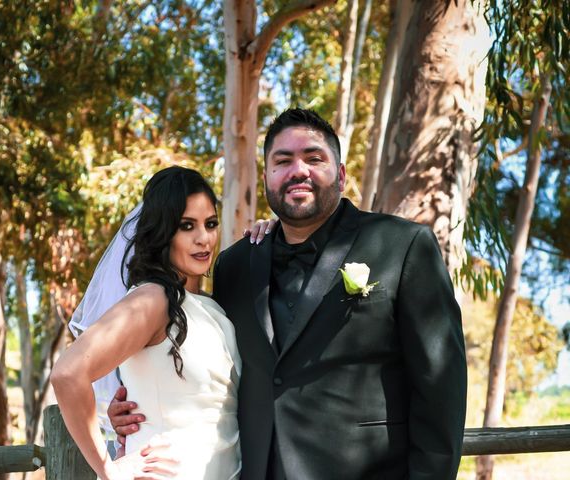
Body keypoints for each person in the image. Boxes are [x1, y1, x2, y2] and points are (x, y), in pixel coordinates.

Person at [110, 108, 468, 479]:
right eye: (283, 161)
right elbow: (200, 361)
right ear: (267, 178)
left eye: (314, 158)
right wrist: (136, 407)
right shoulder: (234, 265)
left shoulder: (401, 246)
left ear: (341, 175)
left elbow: (440, 389)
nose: (299, 170)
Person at [52, 166, 242, 480]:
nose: (203, 238)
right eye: (186, 226)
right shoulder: (153, 299)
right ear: (163, 231)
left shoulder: (213, 306)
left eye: (210, 224)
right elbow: (67, 374)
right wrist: (108, 468)